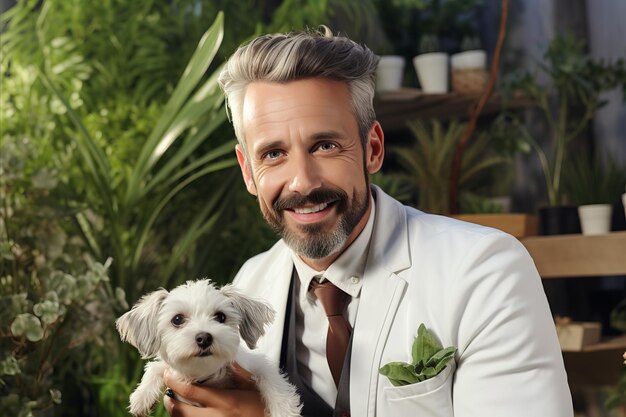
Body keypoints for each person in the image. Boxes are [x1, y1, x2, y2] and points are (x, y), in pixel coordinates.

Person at [164, 27, 573, 417]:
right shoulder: (249, 284)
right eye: (273, 154)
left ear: (373, 148)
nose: (302, 182)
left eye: (325, 145)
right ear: (248, 172)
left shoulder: (487, 271)